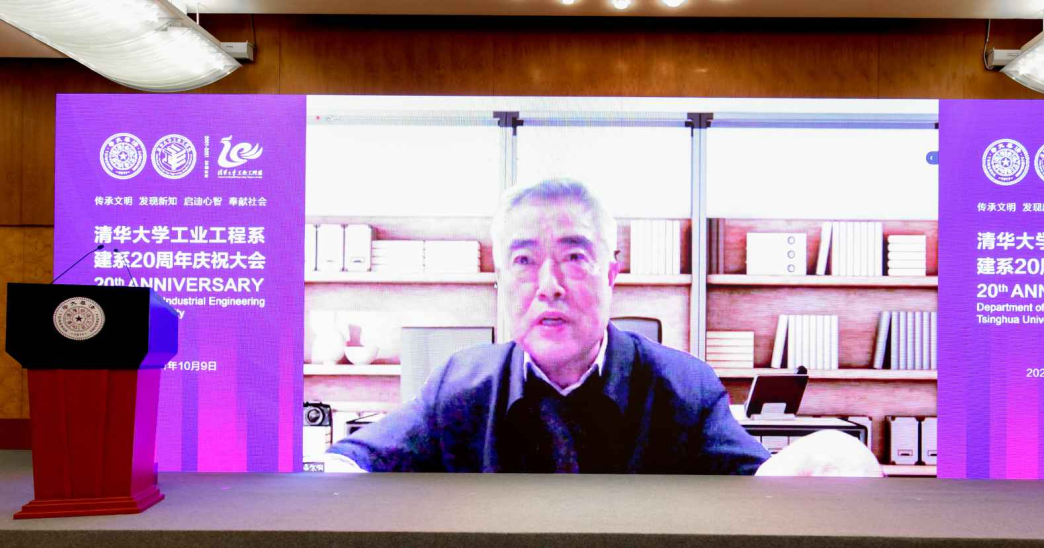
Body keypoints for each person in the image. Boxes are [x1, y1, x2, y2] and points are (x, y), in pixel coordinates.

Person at [324, 178, 879, 477]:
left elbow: (761, 488)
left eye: (574, 257)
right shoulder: (459, 385)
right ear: (500, 280)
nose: (549, 285)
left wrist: (823, 461)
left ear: (612, 273)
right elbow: (354, 462)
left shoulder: (684, 389)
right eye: (523, 260)